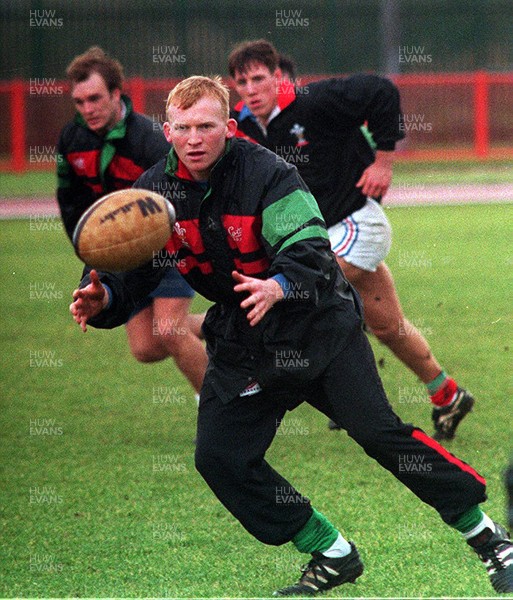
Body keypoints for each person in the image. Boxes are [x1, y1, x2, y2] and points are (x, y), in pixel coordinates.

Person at [69, 75, 513, 596]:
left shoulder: (267, 172)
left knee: (377, 433)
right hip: (244, 337)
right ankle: (330, 550)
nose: (195, 139)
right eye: (184, 128)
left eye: (206, 127)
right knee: (220, 457)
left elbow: (308, 244)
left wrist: (279, 285)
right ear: (167, 132)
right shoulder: (153, 195)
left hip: (317, 324)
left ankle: (489, 539)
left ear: (229, 128)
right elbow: (129, 271)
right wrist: (104, 299)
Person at [228, 39, 475, 441]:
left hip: (358, 224)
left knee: (300, 297)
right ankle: (447, 394)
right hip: (324, 236)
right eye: (242, 82)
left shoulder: (315, 101)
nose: (251, 88)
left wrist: (383, 159)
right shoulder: (250, 127)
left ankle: (342, 395)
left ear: (278, 77)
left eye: (259, 78)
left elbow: (382, 91)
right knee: (386, 325)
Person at [57, 46, 207, 397]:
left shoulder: (149, 140)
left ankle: (225, 411)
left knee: (169, 329)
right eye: (79, 102)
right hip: (124, 255)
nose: (87, 109)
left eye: (94, 98)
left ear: (116, 93)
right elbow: (71, 202)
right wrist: (91, 251)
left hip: (167, 243)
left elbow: (183, 197)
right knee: (146, 348)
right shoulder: (72, 139)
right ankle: (217, 326)